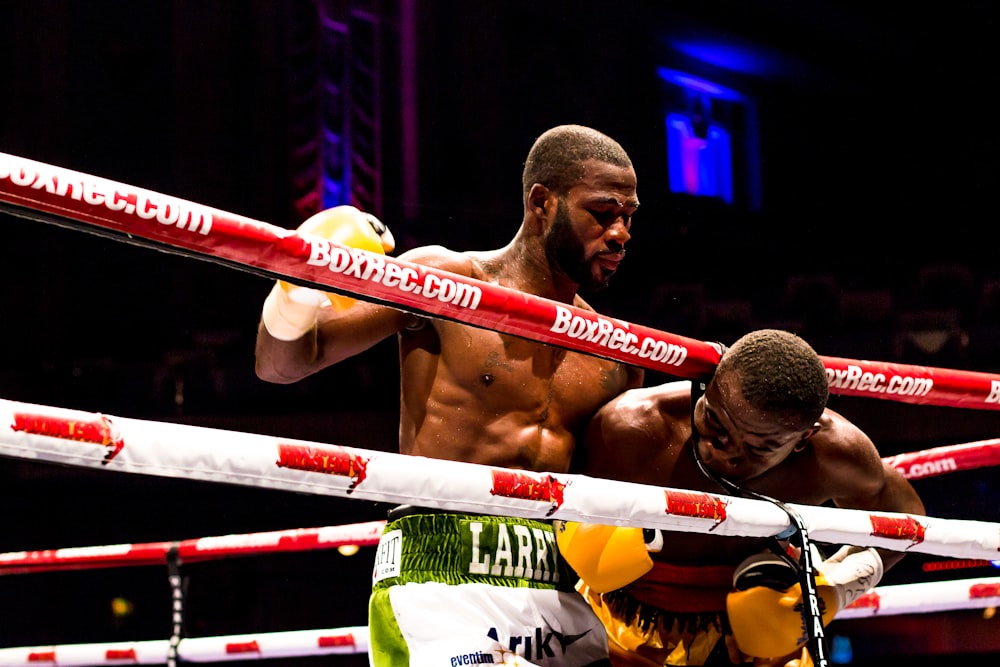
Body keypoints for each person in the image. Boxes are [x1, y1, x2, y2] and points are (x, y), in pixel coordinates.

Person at [255, 124, 645, 666]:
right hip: (439, 571)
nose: (621, 233)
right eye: (603, 213)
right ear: (542, 202)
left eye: (629, 216)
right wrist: (296, 287)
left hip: (559, 585)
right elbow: (282, 364)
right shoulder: (445, 282)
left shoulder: (614, 353)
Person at [559, 328, 926, 667]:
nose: (724, 451)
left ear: (802, 439)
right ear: (707, 389)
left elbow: (905, 520)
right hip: (622, 624)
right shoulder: (635, 430)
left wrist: (836, 587)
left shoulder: (833, 457)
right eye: (715, 422)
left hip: (761, 636)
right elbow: (559, 500)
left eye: (757, 446)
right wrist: (585, 538)